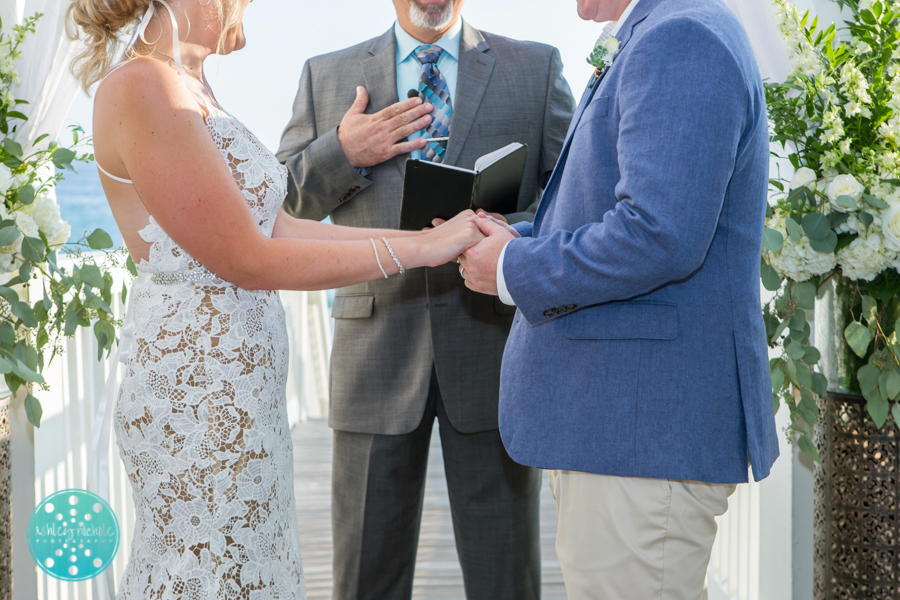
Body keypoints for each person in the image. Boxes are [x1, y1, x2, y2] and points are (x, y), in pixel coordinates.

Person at [65, 0, 484, 597]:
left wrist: (427, 239)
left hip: (239, 392)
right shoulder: (143, 85)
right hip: (199, 395)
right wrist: (418, 253)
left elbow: (277, 227)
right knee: (204, 571)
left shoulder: (189, 85)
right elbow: (249, 259)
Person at [458, 0, 780, 597]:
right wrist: (517, 239)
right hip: (626, 432)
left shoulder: (681, 37)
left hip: (641, 430)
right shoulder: (664, 30)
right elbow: (621, 215)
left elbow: (659, 235)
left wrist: (513, 267)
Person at [275, 1, 575, 598]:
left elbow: (573, 197)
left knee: (506, 579)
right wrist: (343, 150)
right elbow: (280, 205)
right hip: (374, 351)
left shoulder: (535, 69)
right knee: (365, 580)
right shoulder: (325, 75)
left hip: (493, 351)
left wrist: (503, 233)